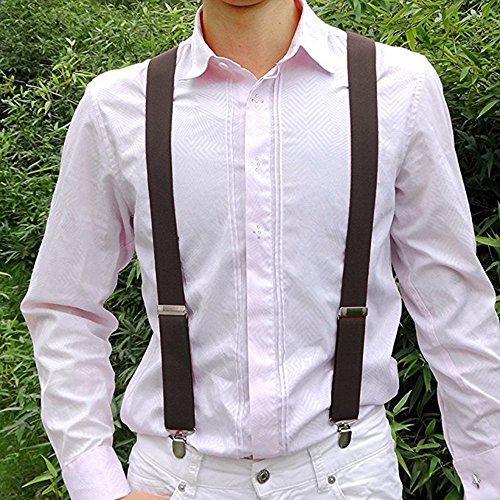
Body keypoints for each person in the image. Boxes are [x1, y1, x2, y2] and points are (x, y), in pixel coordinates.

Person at [19, 0, 500, 498]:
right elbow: (65, 306)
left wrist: (489, 483)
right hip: (175, 480)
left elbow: (453, 305)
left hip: (349, 474)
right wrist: (97, 483)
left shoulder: (398, 87)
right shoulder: (118, 105)